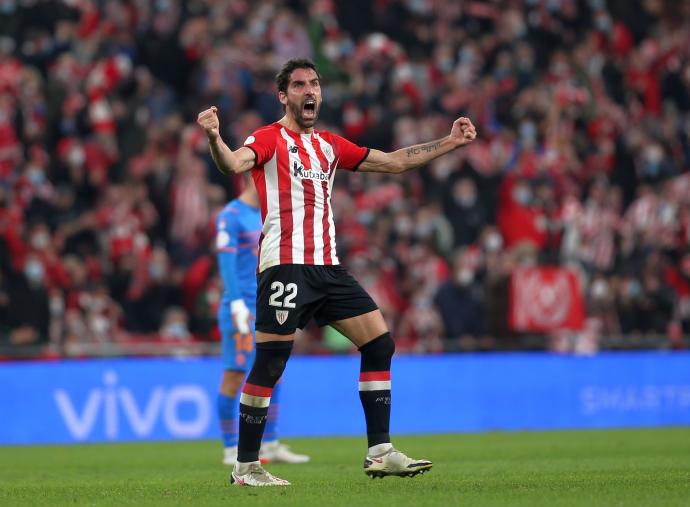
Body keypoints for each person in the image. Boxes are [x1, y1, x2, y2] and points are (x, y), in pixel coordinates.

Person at [197, 58, 477, 487]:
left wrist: (450, 142)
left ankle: (380, 451)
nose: (309, 91)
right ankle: (246, 466)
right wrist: (215, 136)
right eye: (299, 85)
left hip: (328, 269)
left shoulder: (329, 146)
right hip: (285, 267)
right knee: (271, 361)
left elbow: (396, 162)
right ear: (283, 95)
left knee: (380, 343)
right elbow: (232, 165)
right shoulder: (269, 139)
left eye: (314, 84)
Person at [215, 177, 309, 466]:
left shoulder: (269, 215)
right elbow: (226, 264)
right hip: (241, 310)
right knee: (235, 375)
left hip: (269, 306)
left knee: (274, 372)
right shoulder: (231, 216)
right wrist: (237, 304)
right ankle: (231, 448)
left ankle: (269, 443)